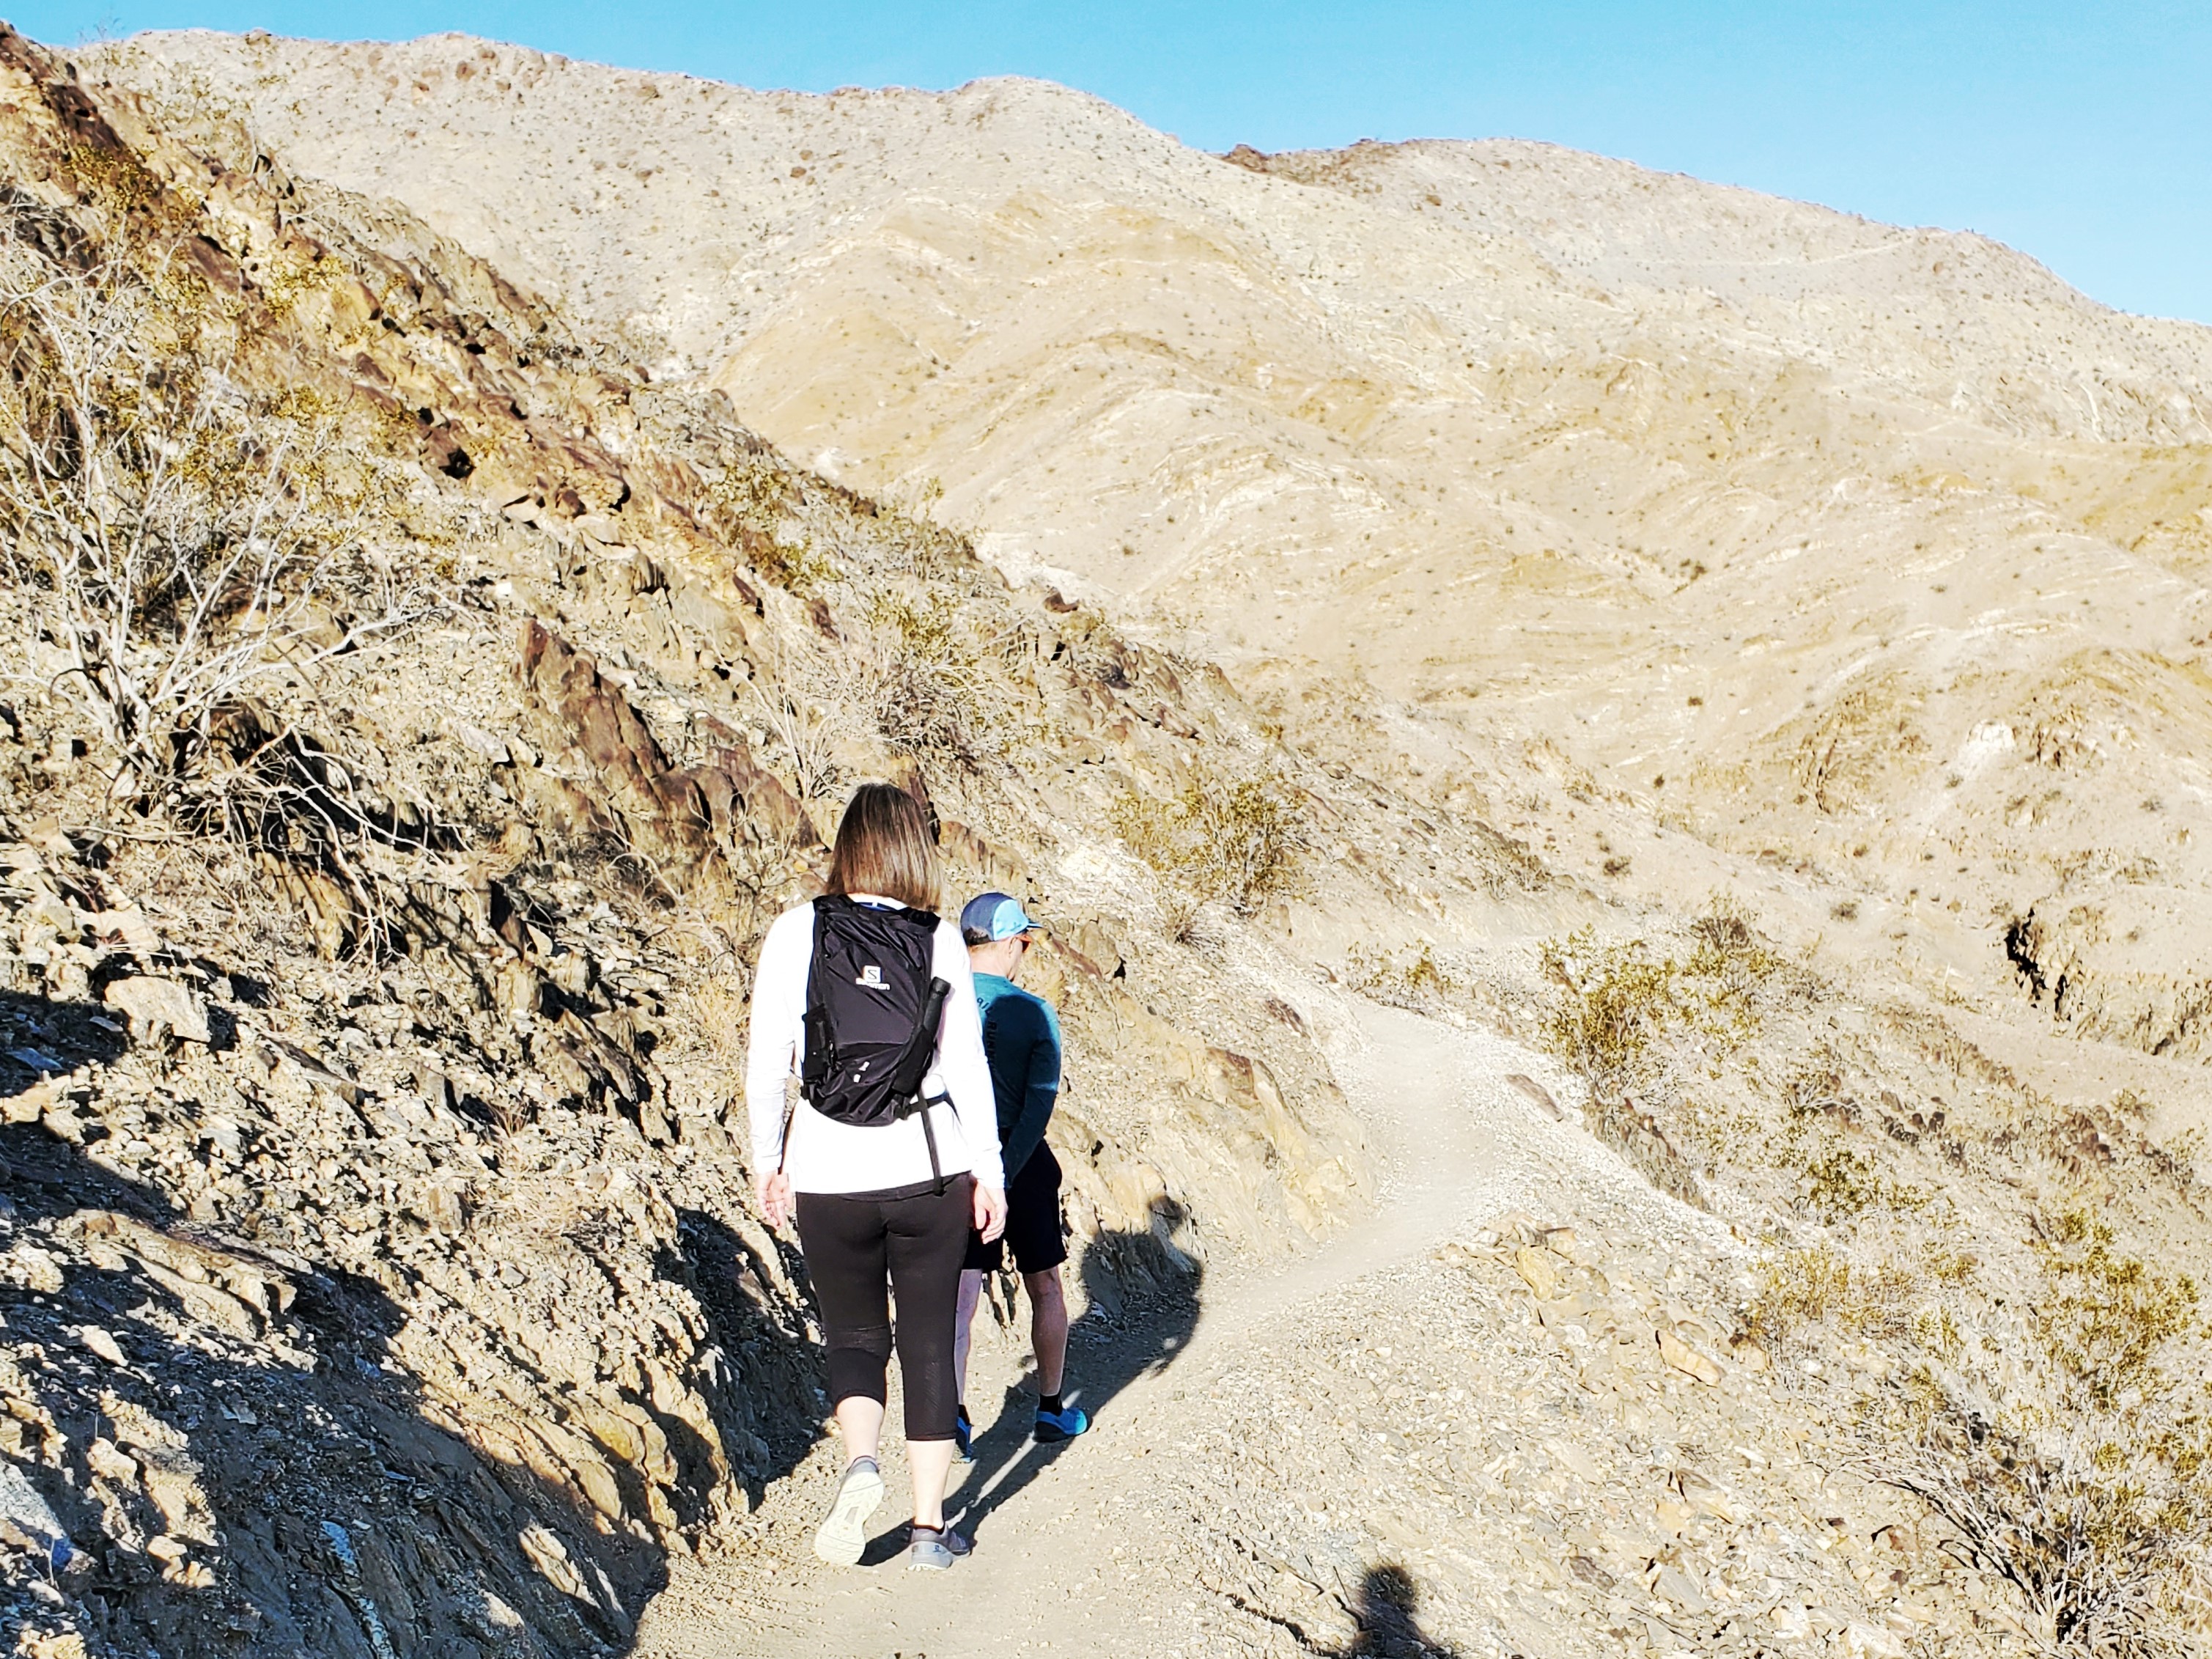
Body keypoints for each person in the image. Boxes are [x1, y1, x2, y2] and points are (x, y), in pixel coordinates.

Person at [746, 783, 1008, 1572]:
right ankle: (930, 1528)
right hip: (927, 1166)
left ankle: (862, 1463)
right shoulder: (940, 940)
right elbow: (968, 1066)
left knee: (856, 1333)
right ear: (911, 850)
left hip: (828, 1165)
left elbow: (767, 1067)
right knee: (929, 1338)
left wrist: (769, 1162)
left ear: (846, 845)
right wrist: (988, 1172)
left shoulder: (796, 931)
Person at [951, 891, 1091, 1451]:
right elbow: (1038, 1106)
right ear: (1011, 943)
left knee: (960, 1296)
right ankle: (1052, 1409)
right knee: (1046, 1283)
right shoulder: (1036, 1013)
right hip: (1023, 1166)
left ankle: (953, 1418)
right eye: (1025, 943)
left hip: (956, 1166)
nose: (1024, 953)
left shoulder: (936, 1002)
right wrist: (1003, 1174)